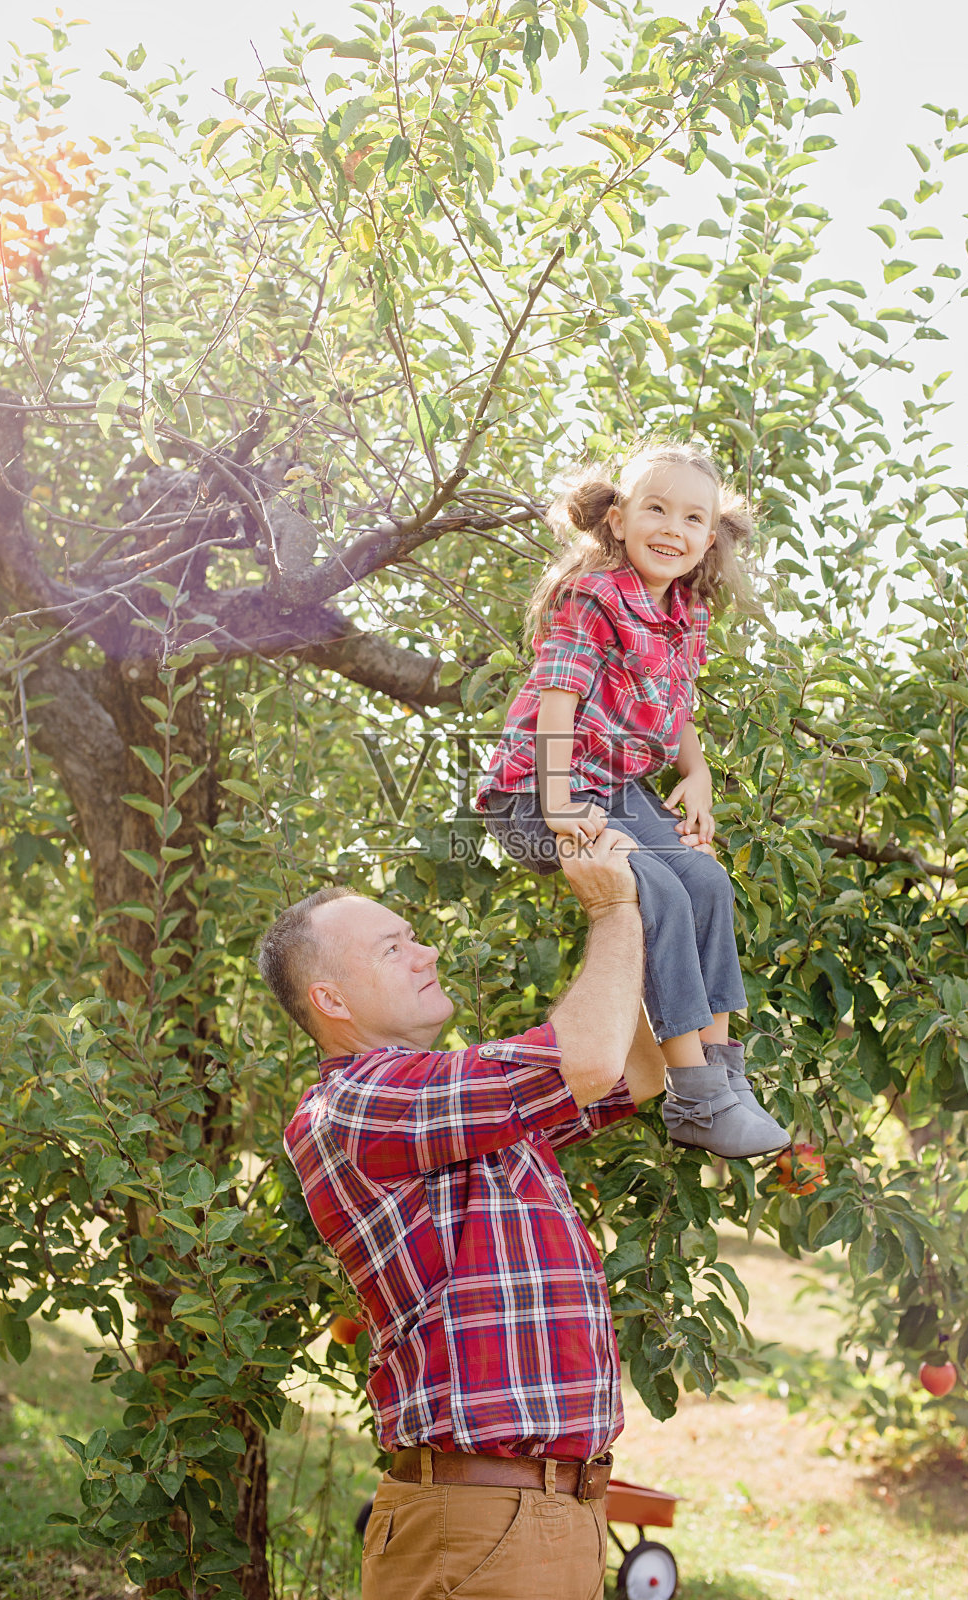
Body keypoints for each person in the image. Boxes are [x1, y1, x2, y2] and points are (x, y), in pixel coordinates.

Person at [258, 829, 664, 1600]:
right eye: (392, 949)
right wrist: (612, 909)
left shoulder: (457, 1114)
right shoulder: (359, 1103)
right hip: (486, 1520)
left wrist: (665, 904)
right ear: (331, 1001)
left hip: (542, 1512)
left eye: (415, 937)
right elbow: (585, 1056)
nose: (426, 954)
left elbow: (635, 1069)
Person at [475, 438, 788, 1159]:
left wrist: (696, 772)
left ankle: (723, 1076)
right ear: (618, 519)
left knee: (706, 880)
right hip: (532, 793)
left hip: (611, 788)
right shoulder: (593, 596)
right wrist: (558, 803)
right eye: (655, 509)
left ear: (709, 536)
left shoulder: (686, 613)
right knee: (659, 892)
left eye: (691, 518)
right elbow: (557, 701)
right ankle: (694, 1096)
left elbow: (677, 708)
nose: (671, 528)